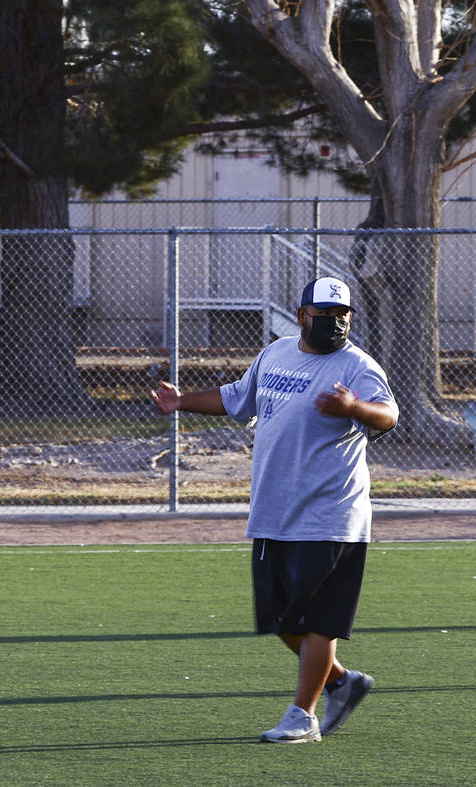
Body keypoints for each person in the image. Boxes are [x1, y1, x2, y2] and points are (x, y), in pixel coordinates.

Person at [152, 276, 398, 744]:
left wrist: (355, 407)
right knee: (281, 619)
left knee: (318, 619)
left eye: (343, 314)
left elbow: (389, 415)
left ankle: (301, 717)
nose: (336, 322)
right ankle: (342, 683)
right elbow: (234, 398)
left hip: (331, 514)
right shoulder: (276, 353)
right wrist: (181, 402)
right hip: (275, 509)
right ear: (302, 314)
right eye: (325, 315)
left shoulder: (358, 366)